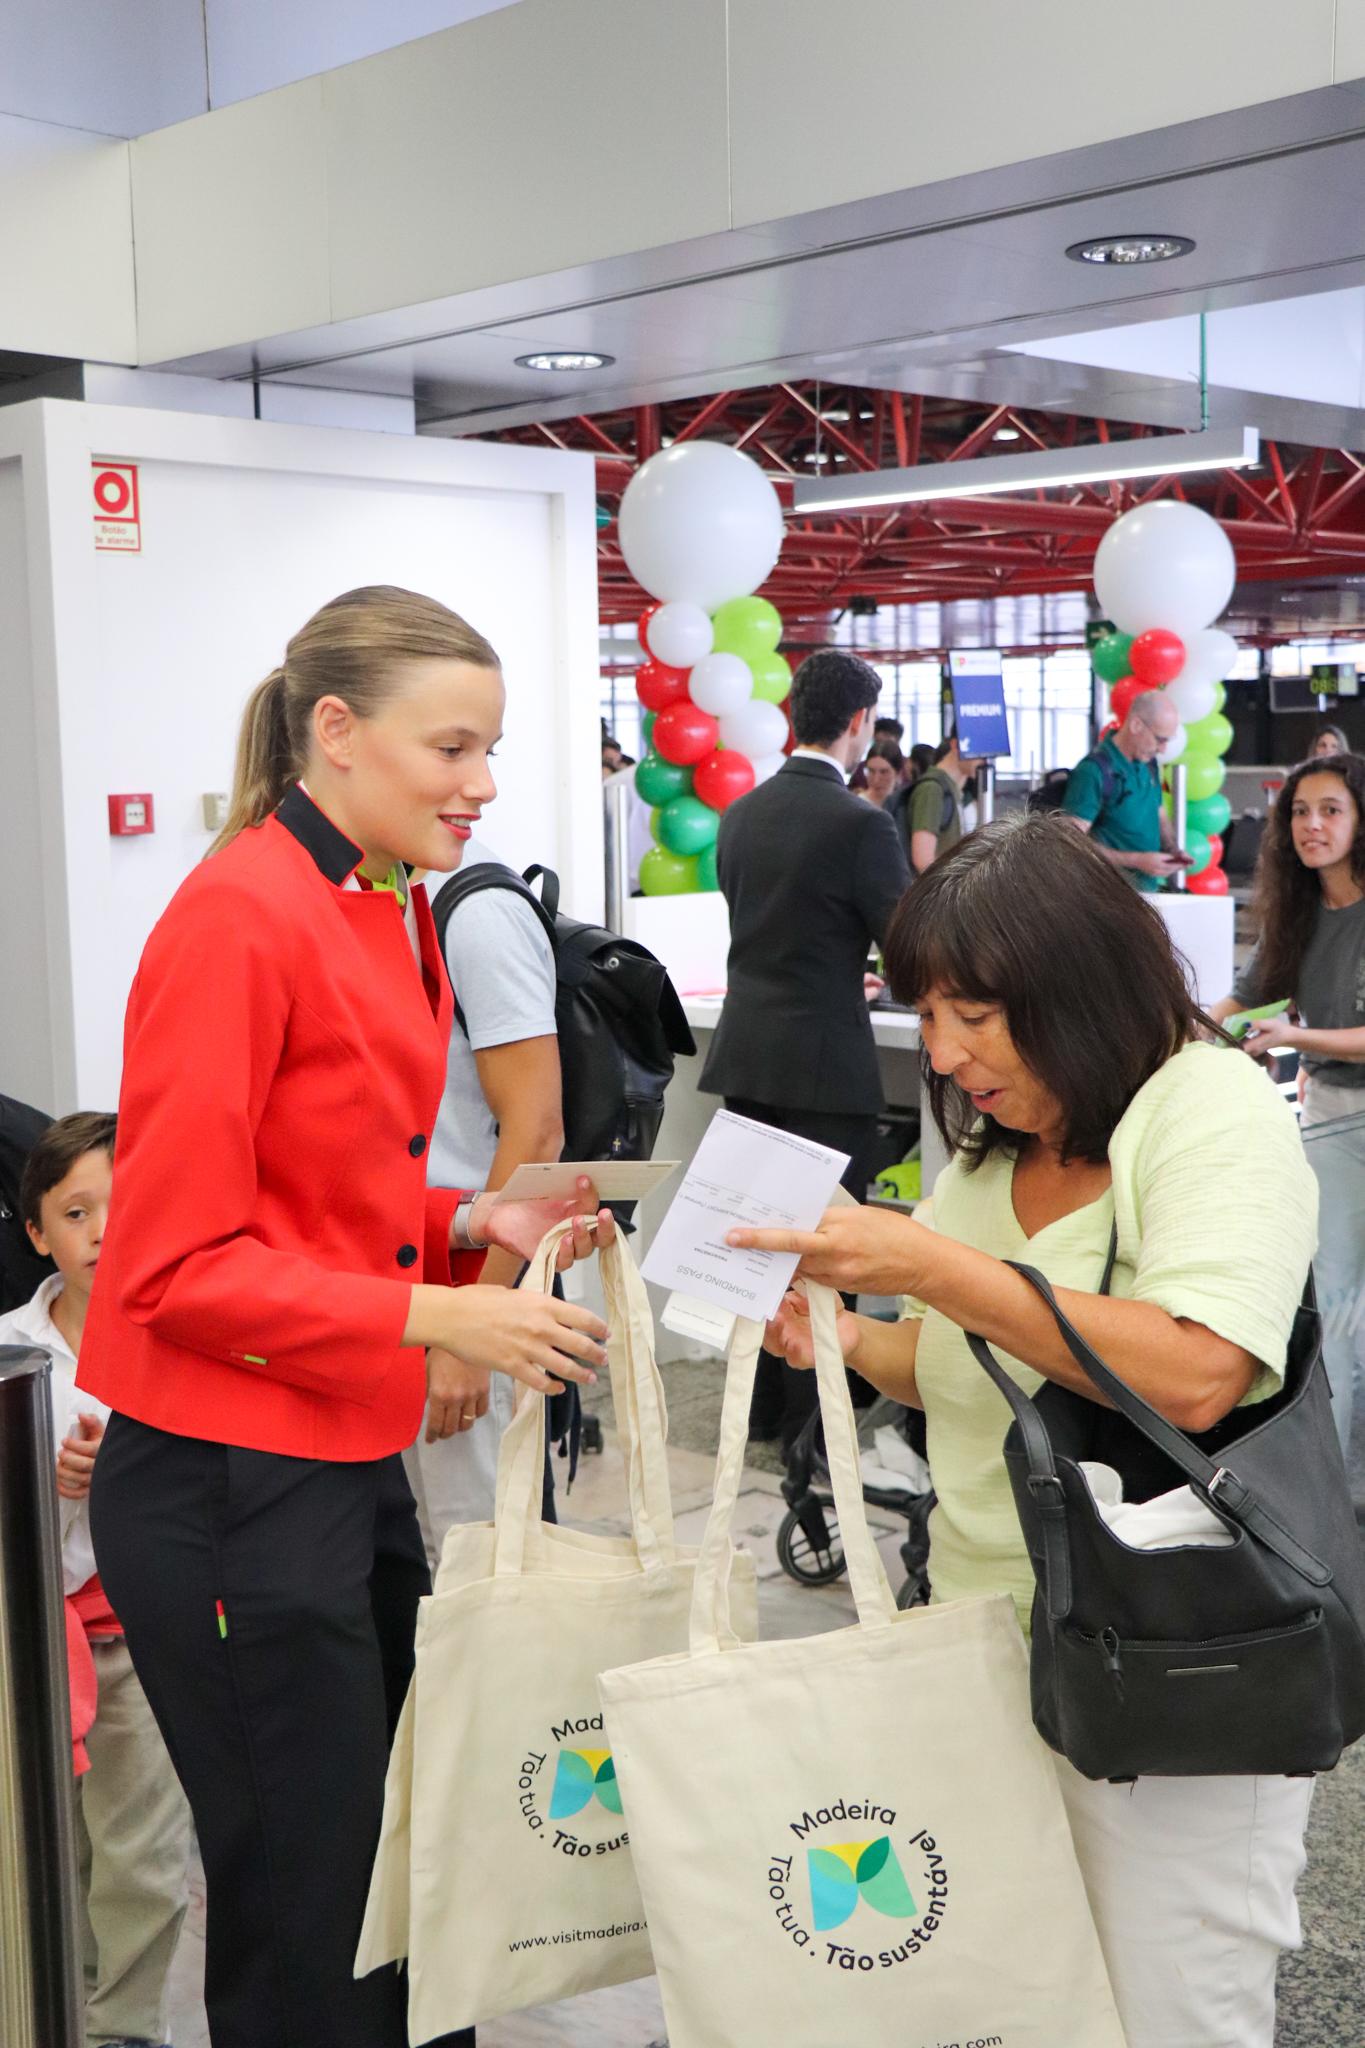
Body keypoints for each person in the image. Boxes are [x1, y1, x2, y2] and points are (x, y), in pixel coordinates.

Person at [80, 586, 616, 2048]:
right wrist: (440, 1322)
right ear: (337, 732)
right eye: (453, 746)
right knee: (313, 1916)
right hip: (226, 1482)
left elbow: (307, 1187)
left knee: (397, 1876)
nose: (483, 782)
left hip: (326, 1458)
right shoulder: (242, 916)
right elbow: (170, 1267)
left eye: (490, 751)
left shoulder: (380, 899)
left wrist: (464, 1226)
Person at [733, 814, 1319, 2048]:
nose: (941, 1055)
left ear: (1077, 982)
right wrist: (843, 1339)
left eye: (974, 1015)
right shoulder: (1001, 1152)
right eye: (923, 1014)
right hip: (985, 1637)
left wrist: (932, 1262)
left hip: (1174, 1652)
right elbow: (959, 1365)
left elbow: (1203, 1370)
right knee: (1016, 1988)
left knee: (1173, 2000)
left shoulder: (1206, 1108)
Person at [1, 1111, 191, 2048]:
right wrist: (51, 1476)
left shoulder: (182, 1342)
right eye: (77, 1213)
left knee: (143, 1853)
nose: (105, 1232)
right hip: (36, 1641)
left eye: (124, 1208)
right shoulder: (8, 1351)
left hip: (141, 1633)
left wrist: (127, 1473)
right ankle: (54, 2011)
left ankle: (126, 2030)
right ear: (36, 1231)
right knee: (51, 1851)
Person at [700, 648, 909, 1450]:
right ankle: (814, 1427)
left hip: (750, 1057)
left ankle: (759, 1415)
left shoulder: (740, 814)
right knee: (827, 1253)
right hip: (824, 1063)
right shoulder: (861, 823)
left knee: (755, 1246)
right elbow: (904, 941)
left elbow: (769, 924)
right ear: (858, 723)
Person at [406, 830, 565, 1561]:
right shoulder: (387, 897)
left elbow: (535, 1134)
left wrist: (475, 1327)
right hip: (409, 1268)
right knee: (425, 1548)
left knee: (479, 1557)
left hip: (472, 1267)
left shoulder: (474, 912)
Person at [1208, 750, 1365, 1462]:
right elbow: (1243, 998)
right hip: (1330, 1114)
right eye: (1299, 812)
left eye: (1330, 810)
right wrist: (1190, 1034)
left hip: (1342, 1108)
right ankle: (1333, 1483)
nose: (1312, 825)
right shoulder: (1297, 913)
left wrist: (1293, 1034)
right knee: (1331, 1304)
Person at [1061, 689, 1190, 889]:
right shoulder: (1093, 771)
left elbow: (1160, 815)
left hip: (1148, 892)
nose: (1163, 749)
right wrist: (1136, 860)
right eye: (1160, 739)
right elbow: (1070, 843)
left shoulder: (1149, 764)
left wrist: (1173, 851)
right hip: (1109, 894)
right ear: (1136, 725)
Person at [905, 729, 969, 872]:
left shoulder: (950, 789)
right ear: (956, 745)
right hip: (936, 892)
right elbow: (922, 859)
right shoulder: (932, 789)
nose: (985, 758)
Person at [860, 741, 903, 810]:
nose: (876, 779)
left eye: (884, 772)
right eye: (871, 771)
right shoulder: (858, 805)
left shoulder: (906, 805)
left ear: (898, 773)